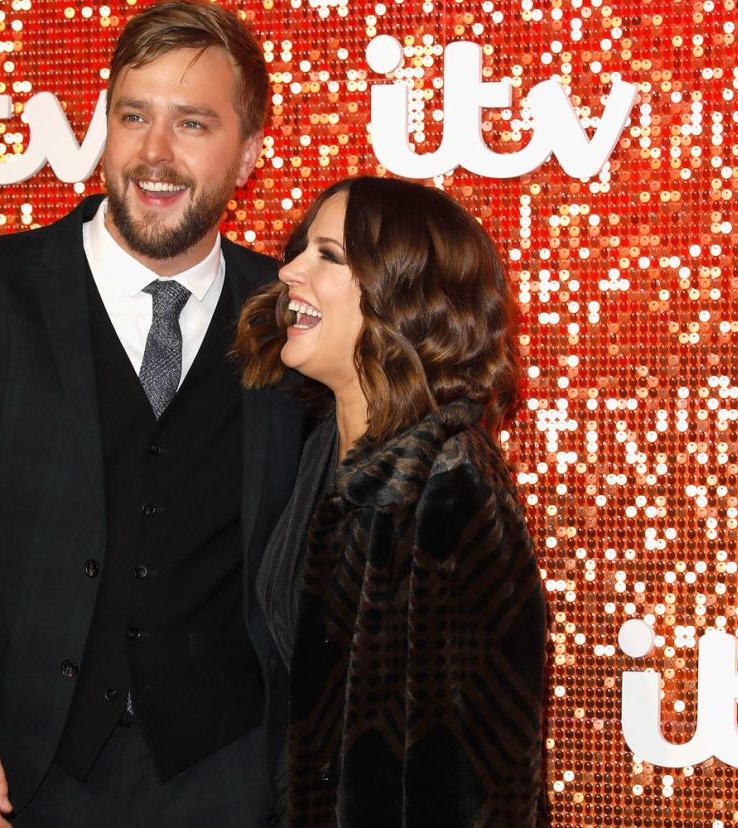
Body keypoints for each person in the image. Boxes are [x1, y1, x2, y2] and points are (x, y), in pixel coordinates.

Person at [0, 3, 304, 826]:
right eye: (133, 115)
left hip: (232, 779)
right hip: (21, 772)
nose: (155, 154)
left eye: (193, 123)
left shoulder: (294, 317)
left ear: (250, 152)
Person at [234, 176, 548, 827]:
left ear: (399, 298)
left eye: (328, 254)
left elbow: (470, 782)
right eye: (302, 249)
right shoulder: (327, 452)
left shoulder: (446, 482)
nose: (289, 268)